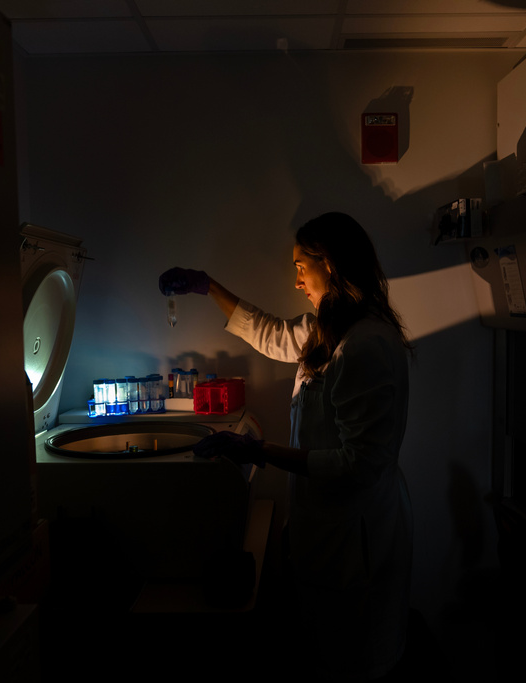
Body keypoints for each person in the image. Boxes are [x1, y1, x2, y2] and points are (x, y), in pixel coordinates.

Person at [159, 212, 414, 681]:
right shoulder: (332, 327)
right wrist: (207, 286)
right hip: (327, 533)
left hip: (357, 541)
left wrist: (259, 451)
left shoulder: (365, 346)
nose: (297, 282)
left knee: (356, 662)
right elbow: (273, 334)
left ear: (331, 265)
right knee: (325, 651)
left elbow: (357, 465)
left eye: (301, 267)